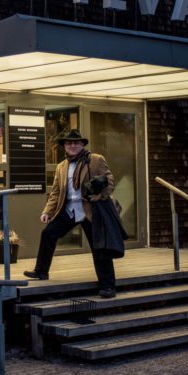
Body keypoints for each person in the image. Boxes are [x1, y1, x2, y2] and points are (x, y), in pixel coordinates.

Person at [25, 128, 120, 298]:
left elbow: (110, 181)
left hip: (91, 209)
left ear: (82, 144)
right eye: (69, 143)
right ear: (64, 146)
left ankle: (108, 286)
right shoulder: (62, 166)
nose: (73, 145)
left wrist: (100, 195)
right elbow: (55, 191)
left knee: (99, 248)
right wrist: (48, 211)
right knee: (48, 234)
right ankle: (41, 271)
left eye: (76, 142)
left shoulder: (95, 160)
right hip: (69, 209)